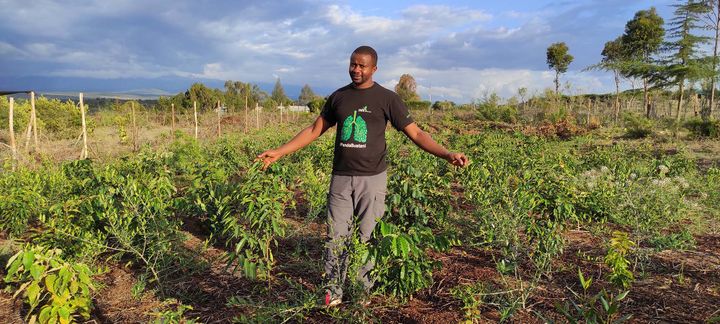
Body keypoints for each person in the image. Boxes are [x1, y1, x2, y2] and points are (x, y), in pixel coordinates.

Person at [257, 45, 469, 306]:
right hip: (341, 178)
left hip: (373, 179)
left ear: (374, 69)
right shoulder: (339, 97)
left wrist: (447, 153)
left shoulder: (387, 99)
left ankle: (361, 291)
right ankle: (333, 291)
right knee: (336, 235)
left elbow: (417, 134)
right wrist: (280, 151)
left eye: (362, 66)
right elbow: (314, 130)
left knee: (367, 236)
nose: (356, 70)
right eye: (353, 64)